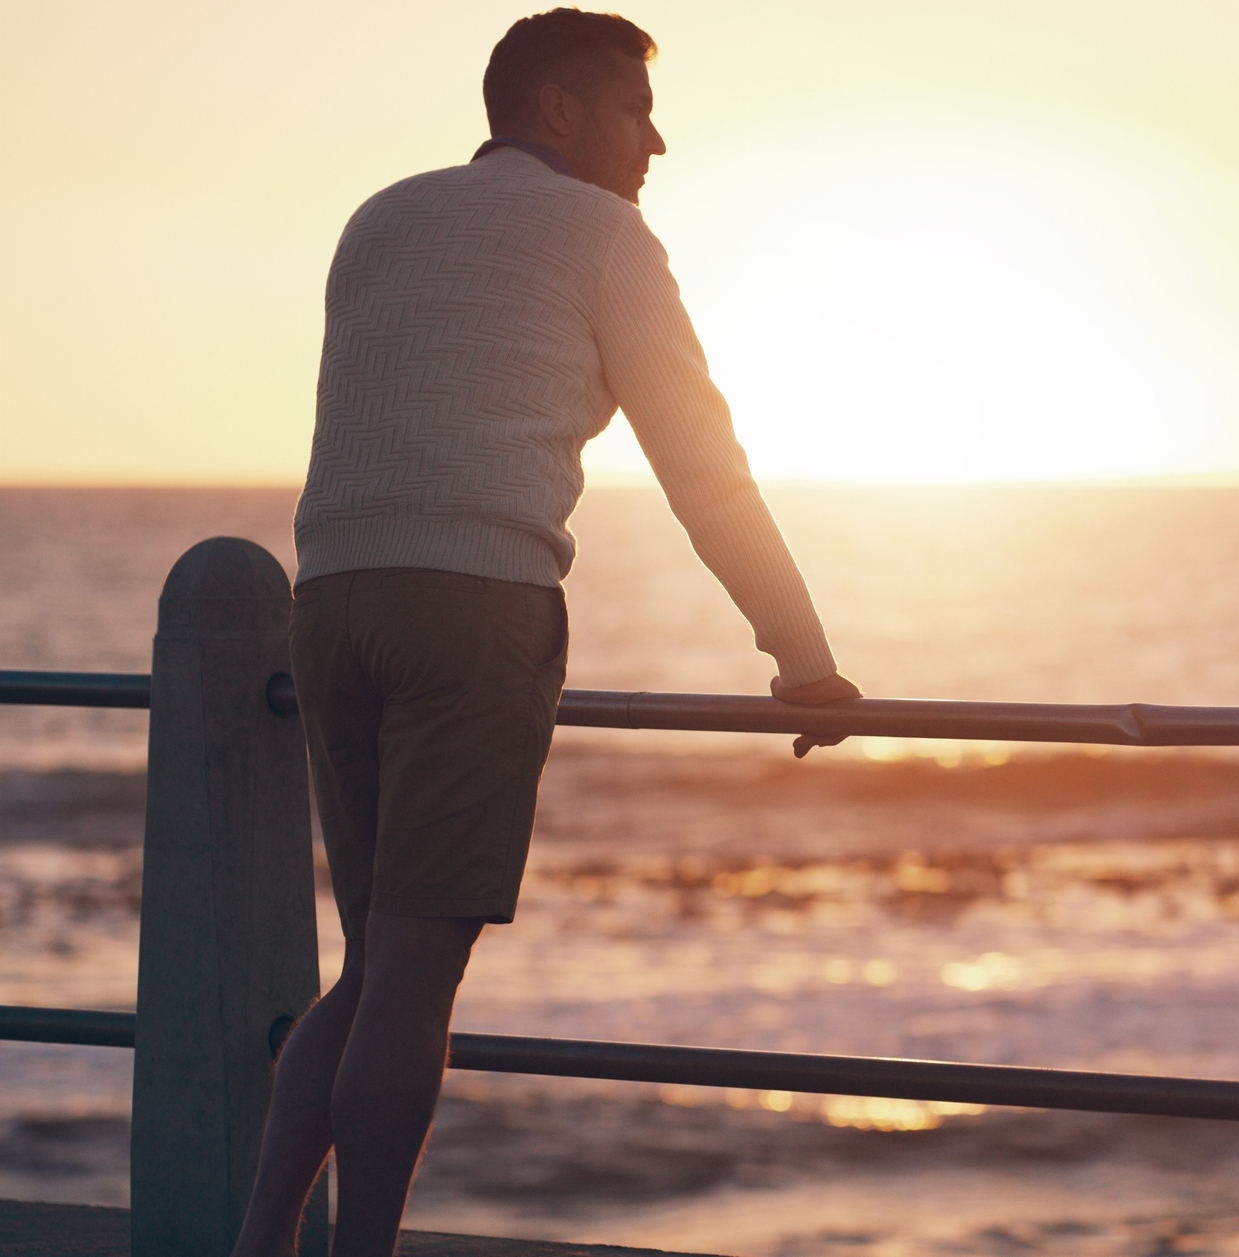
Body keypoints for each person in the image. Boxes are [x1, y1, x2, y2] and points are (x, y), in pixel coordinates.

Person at [230, 10, 857, 1255]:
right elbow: (704, 468)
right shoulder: (603, 234)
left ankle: (258, 1246)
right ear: (557, 112)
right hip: (473, 605)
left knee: (366, 970)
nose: (657, 141)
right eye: (633, 109)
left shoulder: (380, 218)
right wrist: (801, 652)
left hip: (333, 597)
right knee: (413, 982)